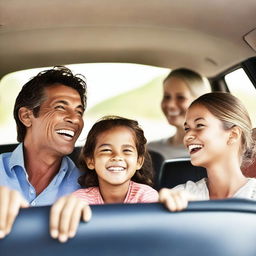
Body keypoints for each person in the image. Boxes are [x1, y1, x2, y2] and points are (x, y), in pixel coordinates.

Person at [0, 66, 91, 242]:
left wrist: (161, 200)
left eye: (79, 111)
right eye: (60, 107)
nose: (75, 119)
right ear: (26, 116)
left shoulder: (90, 184)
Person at [159, 92, 256, 211]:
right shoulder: (181, 195)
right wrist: (160, 207)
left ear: (233, 135)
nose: (187, 137)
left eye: (199, 125)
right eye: (187, 129)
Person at [73, 115, 159, 204]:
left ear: (138, 161)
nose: (117, 157)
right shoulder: (79, 201)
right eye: (106, 150)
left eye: (126, 150)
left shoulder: (147, 197)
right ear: (90, 160)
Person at [148, 68, 210, 160]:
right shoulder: (151, 150)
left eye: (181, 97)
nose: (170, 105)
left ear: (200, 103)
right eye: (167, 97)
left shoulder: (211, 151)